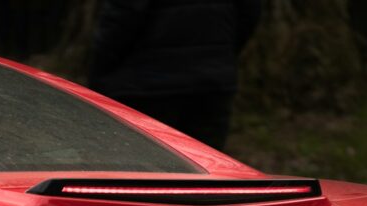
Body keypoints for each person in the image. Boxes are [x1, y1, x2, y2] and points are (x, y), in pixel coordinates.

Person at [89, 0, 263, 151]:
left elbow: (120, 21)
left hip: (146, 84)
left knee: (147, 171)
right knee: (204, 171)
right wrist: (222, 55)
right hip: (210, 83)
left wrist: (101, 71)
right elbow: (249, 14)